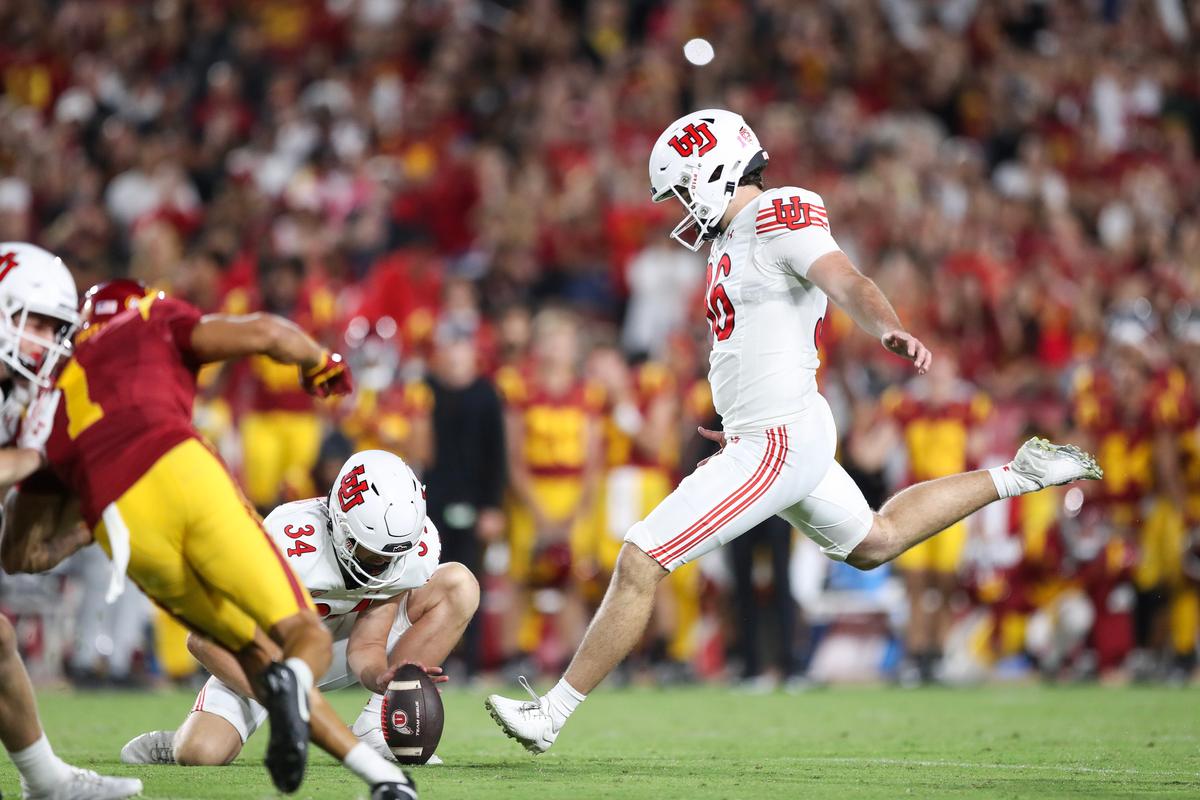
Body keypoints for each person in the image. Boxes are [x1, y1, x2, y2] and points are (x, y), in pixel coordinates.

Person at [486, 109, 1103, 753]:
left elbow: (846, 279)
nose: (681, 208)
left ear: (715, 173)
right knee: (876, 540)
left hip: (776, 439)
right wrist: (736, 422)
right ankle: (1021, 474)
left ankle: (551, 713)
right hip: (771, 433)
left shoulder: (778, 215)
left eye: (683, 189)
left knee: (641, 557)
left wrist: (885, 326)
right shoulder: (731, 238)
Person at [3, 278, 416, 799]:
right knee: (303, 636)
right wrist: (319, 362)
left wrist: (90, 521)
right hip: (191, 475)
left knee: (249, 649)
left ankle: (366, 765)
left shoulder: (48, 406)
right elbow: (267, 331)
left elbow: (20, 554)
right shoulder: (150, 321)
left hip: (131, 525)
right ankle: (380, 775)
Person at [119, 449, 478, 767]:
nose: (382, 565)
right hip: (267, 658)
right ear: (341, 526)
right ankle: (181, 739)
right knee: (200, 753)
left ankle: (376, 729)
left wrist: (381, 678)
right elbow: (201, 640)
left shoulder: (405, 553)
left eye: (390, 556)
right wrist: (281, 695)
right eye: (371, 553)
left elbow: (367, 644)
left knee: (458, 585)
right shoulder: (285, 544)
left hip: (336, 644)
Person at [0, 243, 141, 800]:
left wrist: (87, 522)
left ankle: (47, 781)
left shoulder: (18, 396)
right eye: (34, 323)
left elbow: (16, 553)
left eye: (54, 329)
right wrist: (35, 458)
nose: (46, 342)